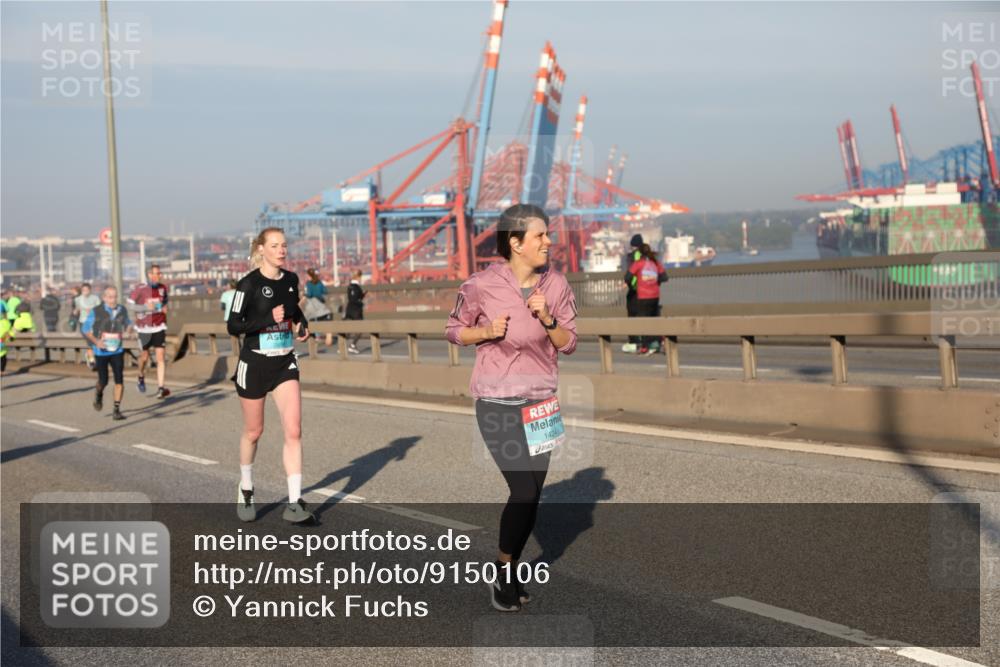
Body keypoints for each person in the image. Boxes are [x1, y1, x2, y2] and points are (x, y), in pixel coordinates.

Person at [446, 204, 578, 612]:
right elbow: (453, 330)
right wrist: (486, 331)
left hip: (541, 404)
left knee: (533, 496)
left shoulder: (556, 285)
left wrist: (548, 318)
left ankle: (508, 568)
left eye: (548, 234)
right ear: (516, 243)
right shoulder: (481, 285)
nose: (549, 241)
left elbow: (569, 343)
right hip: (497, 402)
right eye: (540, 235)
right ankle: (503, 568)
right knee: (523, 490)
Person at [227, 227, 314, 525]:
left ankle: (294, 502)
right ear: (261, 249)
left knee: (294, 431)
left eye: (284, 245)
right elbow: (233, 325)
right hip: (254, 364)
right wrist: (267, 319)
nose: (281, 250)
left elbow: (292, 311)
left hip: (284, 363)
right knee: (254, 432)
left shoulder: (290, 280)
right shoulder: (248, 284)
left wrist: (301, 324)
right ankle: (246, 487)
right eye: (275, 246)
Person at [81, 286, 133, 421]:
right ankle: (98, 393)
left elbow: (128, 323)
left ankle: (116, 410)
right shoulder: (96, 311)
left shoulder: (122, 309)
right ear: (104, 298)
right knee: (103, 381)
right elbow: (85, 329)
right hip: (101, 351)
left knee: (119, 380)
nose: (113, 300)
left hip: (117, 350)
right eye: (110, 297)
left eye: (115, 297)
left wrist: (129, 330)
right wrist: (96, 341)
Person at [129, 265, 171, 399]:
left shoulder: (163, 288)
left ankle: (161, 388)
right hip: (144, 328)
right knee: (144, 357)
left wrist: (164, 308)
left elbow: (164, 303)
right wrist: (144, 307)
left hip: (159, 326)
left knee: (160, 357)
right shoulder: (140, 288)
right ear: (149, 275)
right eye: (156, 273)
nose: (159, 276)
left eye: (160, 273)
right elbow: (130, 305)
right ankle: (141, 375)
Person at [626, 243, 668, 355]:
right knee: (654, 320)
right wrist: (655, 282)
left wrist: (633, 285)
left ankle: (645, 346)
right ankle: (660, 341)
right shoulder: (655, 263)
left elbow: (627, 277)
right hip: (655, 296)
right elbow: (665, 277)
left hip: (643, 296)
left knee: (643, 321)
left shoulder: (638, 263)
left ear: (640, 253)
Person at [621, 234, 644, 353]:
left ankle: (634, 342)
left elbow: (633, 272)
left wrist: (628, 283)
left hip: (635, 290)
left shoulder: (634, 255)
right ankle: (647, 341)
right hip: (647, 291)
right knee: (645, 315)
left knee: (632, 315)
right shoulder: (647, 255)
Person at [73, 283, 101, 370]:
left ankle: (91, 357)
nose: (85, 292)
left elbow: (100, 309)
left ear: (90, 290)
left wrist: (93, 311)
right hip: (83, 322)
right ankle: (92, 361)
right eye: (83, 290)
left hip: (94, 323)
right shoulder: (78, 299)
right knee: (90, 341)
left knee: (94, 341)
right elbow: (77, 309)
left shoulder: (95, 298)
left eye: (87, 290)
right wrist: (75, 312)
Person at [304, 268, 333, 347]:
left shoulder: (308, 284)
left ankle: (316, 336)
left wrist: (304, 294)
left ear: (309, 275)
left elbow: (309, 294)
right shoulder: (320, 282)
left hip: (312, 304)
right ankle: (325, 335)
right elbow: (325, 291)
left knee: (309, 319)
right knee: (320, 319)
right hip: (320, 304)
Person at [344, 270, 366, 354]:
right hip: (356, 310)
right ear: (358, 277)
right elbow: (355, 299)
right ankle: (352, 345)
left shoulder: (350, 286)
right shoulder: (356, 287)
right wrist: (361, 301)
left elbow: (352, 298)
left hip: (349, 309)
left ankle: (342, 346)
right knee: (360, 328)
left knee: (349, 328)